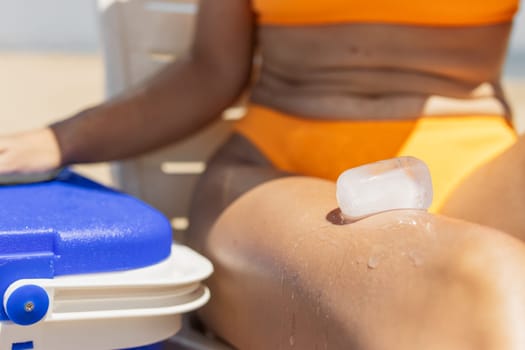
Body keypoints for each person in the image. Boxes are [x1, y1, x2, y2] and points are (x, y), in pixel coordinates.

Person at [2, 0, 525, 348]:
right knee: (480, 279)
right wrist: (58, 140)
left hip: (484, 167)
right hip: (277, 170)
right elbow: (211, 69)